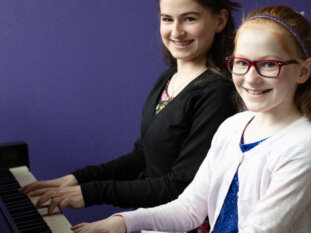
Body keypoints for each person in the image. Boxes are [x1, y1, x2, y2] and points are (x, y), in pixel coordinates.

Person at [70, 5, 311, 233]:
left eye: (269, 64)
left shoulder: (304, 145)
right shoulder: (233, 127)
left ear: (303, 71)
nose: (251, 77)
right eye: (242, 62)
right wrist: (122, 222)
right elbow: (189, 208)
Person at [20, 0, 239, 222]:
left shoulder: (218, 93)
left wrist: (91, 193)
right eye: (167, 19)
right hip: (150, 219)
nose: (176, 32)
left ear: (220, 20)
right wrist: (77, 179)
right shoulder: (169, 77)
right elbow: (143, 155)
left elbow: (179, 186)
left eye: (189, 19)